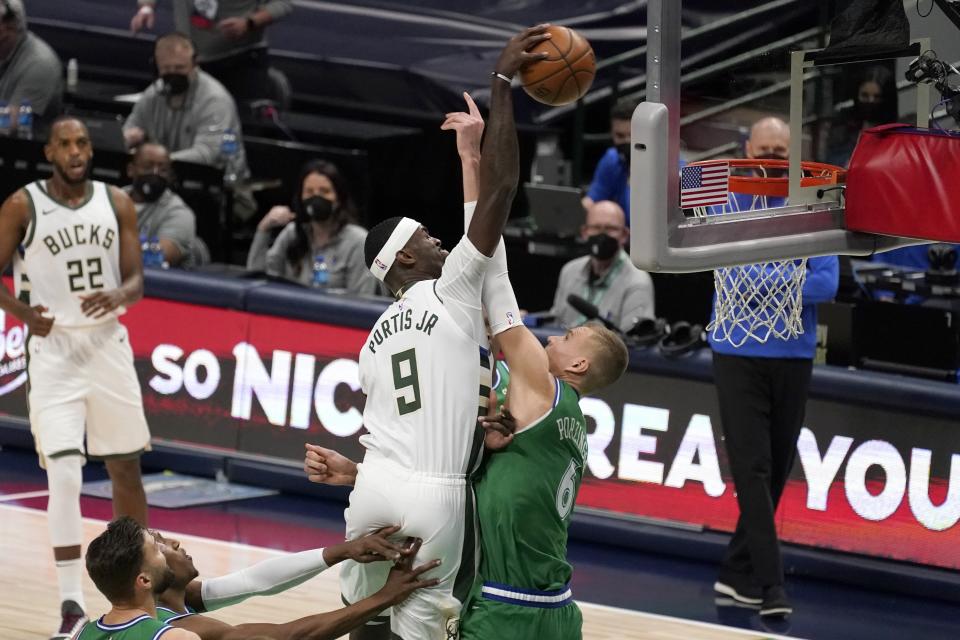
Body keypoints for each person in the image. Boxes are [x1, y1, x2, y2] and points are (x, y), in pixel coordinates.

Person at [331, 26, 551, 640]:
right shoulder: (451, 290)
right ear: (405, 259)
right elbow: (501, 198)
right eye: (427, 238)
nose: (440, 241)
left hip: (373, 486)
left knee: (363, 623)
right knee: (421, 631)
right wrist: (503, 86)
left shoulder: (374, 337)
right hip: (435, 495)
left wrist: (467, 158)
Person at [0, 116, 151, 639]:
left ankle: (140, 584)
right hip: (54, 349)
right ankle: (70, 601)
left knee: (126, 470)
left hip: (107, 343)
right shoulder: (23, 204)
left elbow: (136, 280)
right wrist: (22, 313)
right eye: (65, 143)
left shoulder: (117, 202)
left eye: (82, 142)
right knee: (64, 472)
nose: (75, 150)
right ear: (49, 152)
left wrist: (120, 294)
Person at [708, 116, 839, 619]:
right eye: (763, 149)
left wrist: (757, 278)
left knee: (777, 470)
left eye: (780, 151)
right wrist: (783, 280)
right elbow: (718, 266)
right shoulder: (722, 196)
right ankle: (772, 586)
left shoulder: (815, 202)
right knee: (753, 469)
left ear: (793, 153)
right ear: (746, 148)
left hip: (794, 353)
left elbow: (825, 286)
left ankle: (733, 575)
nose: (770, 158)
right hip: (735, 349)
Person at [149, 528, 441, 639]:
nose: (174, 541)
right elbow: (288, 637)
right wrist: (384, 597)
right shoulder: (180, 631)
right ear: (144, 578)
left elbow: (253, 581)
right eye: (160, 546)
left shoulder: (163, 599)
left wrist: (342, 550)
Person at [123, 32, 249, 178]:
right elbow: (130, 130)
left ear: (194, 64)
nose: (173, 74)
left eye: (179, 68)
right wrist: (127, 140)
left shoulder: (214, 99)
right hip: (165, 178)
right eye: (166, 69)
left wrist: (156, 161)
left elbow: (208, 154)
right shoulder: (153, 94)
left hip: (219, 184)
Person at [246, 160, 377, 293]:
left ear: (338, 199)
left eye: (324, 191)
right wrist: (263, 228)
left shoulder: (358, 242)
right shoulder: (292, 234)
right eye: (309, 191)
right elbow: (257, 281)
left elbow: (363, 298)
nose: (316, 198)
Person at [130, 0, 293, 105]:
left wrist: (249, 22)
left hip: (238, 60)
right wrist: (146, 7)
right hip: (189, 63)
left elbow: (284, 4)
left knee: (234, 134)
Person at [77, 517, 200, 640]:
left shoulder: (80, 635)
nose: (163, 551)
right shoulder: (177, 637)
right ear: (144, 580)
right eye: (156, 549)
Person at [547, 200, 654, 332]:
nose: (602, 235)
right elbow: (555, 322)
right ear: (585, 232)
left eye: (610, 229)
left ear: (624, 235)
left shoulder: (637, 282)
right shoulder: (570, 271)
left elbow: (633, 343)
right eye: (596, 228)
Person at [126, 142, 208, 269]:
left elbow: (156, 258)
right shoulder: (112, 198)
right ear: (131, 170)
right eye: (148, 167)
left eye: (163, 169)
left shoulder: (179, 213)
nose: (155, 173)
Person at [0, 0, 62, 133]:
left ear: (8, 27)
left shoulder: (40, 64)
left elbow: (9, 125)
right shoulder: (4, 51)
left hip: (22, 149)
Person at [826, 65, 898, 168]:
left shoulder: (892, 131)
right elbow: (833, 159)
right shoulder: (843, 124)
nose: (871, 101)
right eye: (865, 95)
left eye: (876, 97)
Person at [581, 97, 634, 219]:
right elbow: (592, 200)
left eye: (632, 135)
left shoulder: (667, 162)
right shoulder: (612, 159)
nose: (627, 140)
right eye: (620, 136)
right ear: (612, 133)